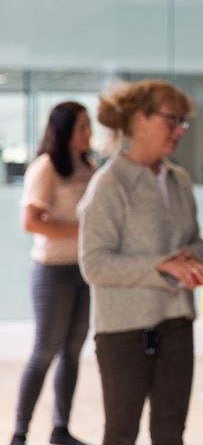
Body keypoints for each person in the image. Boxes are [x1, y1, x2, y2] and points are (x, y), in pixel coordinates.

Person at [78, 80, 203, 445]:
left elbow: (195, 240)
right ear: (139, 121)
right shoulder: (108, 184)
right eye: (172, 119)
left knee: (171, 433)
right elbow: (94, 264)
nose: (180, 130)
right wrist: (162, 266)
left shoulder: (179, 179)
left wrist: (190, 258)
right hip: (124, 330)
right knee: (121, 433)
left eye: (183, 121)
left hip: (177, 321)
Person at [11, 102, 96, 445]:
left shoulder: (88, 167)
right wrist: (82, 229)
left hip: (83, 270)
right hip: (52, 273)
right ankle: (20, 432)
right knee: (44, 351)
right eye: (82, 128)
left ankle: (60, 429)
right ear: (64, 132)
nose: (89, 134)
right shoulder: (44, 168)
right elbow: (31, 221)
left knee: (72, 351)